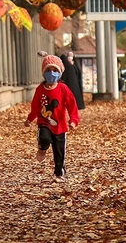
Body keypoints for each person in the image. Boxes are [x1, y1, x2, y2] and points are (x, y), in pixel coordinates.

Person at [25, 53, 80, 182]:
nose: (52, 73)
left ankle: (59, 173)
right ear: (44, 73)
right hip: (44, 122)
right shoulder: (40, 89)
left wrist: (73, 120)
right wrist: (30, 118)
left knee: (59, 152)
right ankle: (42, 148)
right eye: (48, 70)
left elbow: (72, 105)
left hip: (60, 125)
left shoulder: (63, 89)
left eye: (55, 70)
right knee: (44, 137)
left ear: (60, 73)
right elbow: (35, 106)